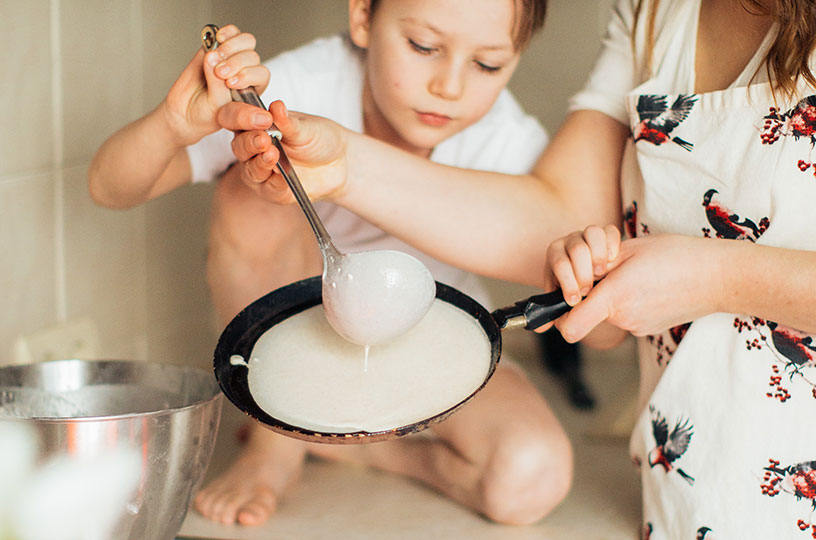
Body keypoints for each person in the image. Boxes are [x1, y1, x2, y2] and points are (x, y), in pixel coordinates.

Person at [220, 0, 816, 536]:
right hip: (695, 494)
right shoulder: (653, 11)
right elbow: (560, 215)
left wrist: (716, 277)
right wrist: (345, 165)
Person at [89, 0, 573, 528]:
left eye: (487, 65)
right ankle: (278, 443)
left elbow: (556, 251)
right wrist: (172, 125)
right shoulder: (301, 89)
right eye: (424, 47)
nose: (450, 87)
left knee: (532, 476)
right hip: (299, 344)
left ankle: (356, 444)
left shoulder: (505, 137)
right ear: (363, 16)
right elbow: (109, 187)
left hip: (433, 342)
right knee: (252, 182)